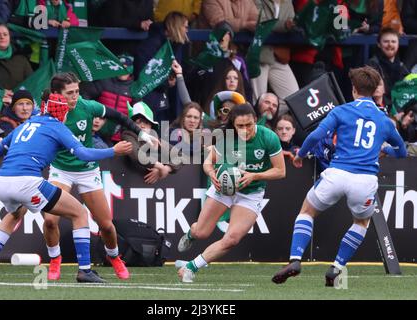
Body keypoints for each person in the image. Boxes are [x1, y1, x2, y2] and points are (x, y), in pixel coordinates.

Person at [0, 93, 133, 283]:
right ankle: (85, 270)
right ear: (62, 112)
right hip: (27, 182)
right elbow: (82, 153)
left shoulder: (26, 124)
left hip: (2, 181)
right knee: (79, 214)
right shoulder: (57, 126)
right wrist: (112, 151)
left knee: (15, 214)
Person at [271, 66, 407, 287]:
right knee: (361, 222)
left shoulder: (341, 111)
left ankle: (295, 259)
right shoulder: (384, 120)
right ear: (374, 90)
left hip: (338, 173)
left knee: (307, 211)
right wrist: (384, 150)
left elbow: (316, 135)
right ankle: (336, 266)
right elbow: (401, 152)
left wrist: (301, 154)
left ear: (354, 89)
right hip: (365, 180)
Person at [42, 72, 157, 281]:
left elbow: (119, 116)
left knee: (105, 224)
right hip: (61, 170)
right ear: (56, 94)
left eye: (77, 91)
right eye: (70, 93)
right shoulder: (48, 114)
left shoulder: (88, 106)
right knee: (50, 220)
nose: (75, 96)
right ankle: (55, 260)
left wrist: (141, 134)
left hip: (87, 171)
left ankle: (114, 257)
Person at [176, 103, 286, 283]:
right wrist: (212, 174)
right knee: (202, 232)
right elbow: (208, 163)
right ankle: (191, 233)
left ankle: (191, 267)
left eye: (249, 125)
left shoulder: (269, 138)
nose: (245, 130)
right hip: (224, 188)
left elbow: (281, 171)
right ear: (233, 125)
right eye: (240, 126)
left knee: (232, 239)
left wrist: (255, 176)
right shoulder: (226, 139)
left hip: (251, 192)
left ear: (255, 121)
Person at [251, 0, 299, 113]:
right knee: (258, 100)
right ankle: (257, 126)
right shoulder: (257, 1)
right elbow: (261, 22)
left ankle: (270, 120)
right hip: (260, 55)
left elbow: (292, 24)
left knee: (294, 99)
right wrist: (285, 25)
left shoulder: (287, 2)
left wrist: (293, 25)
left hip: (279, 55)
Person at [122, 101, 181, 184]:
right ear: (131, 124)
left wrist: (166, 168)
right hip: (127, 183)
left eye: (146, 122)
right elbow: (137, 155)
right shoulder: (128, 135)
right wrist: (158, 165)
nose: (142, 125)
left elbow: (180, 155)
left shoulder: (155, 139)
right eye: (138, 122)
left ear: (151, 126)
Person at [367, 28, 409, 108]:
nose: (390, 44)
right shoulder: (372, 65)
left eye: (393, 41)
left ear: (398, 44)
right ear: (379, 44)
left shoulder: (401, 66)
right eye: (386, 41)